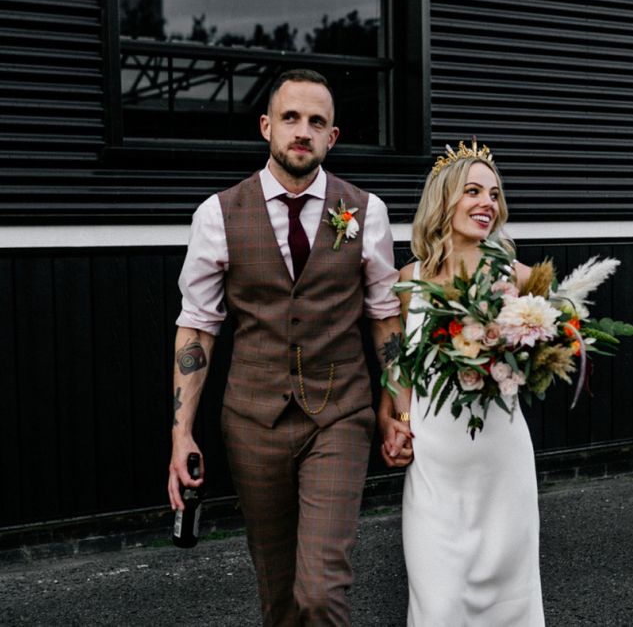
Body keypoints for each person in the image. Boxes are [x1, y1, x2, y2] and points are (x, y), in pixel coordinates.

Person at [168, 69, 412, 626]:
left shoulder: (365, 211)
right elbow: (198, 327)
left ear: (333, 137)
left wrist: (398, 406)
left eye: (317, 122)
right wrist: (182, 433)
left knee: (320, 592)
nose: (303, 131)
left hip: (340, 413)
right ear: (266, 126)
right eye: (291, 118)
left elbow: (384, 318)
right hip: (252, 420)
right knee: (279, 598)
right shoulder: (218, 214)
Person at [381, 141, 546, 625]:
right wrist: (398, 419)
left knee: (509, 602)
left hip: (502, 462)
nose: (486, 204)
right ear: (444, 200)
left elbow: (551, 352)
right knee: (438, 601)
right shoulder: (407, 281)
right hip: (435, 464)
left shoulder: (521, 278)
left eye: (493, 194)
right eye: (472, 191)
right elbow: (397, 366)